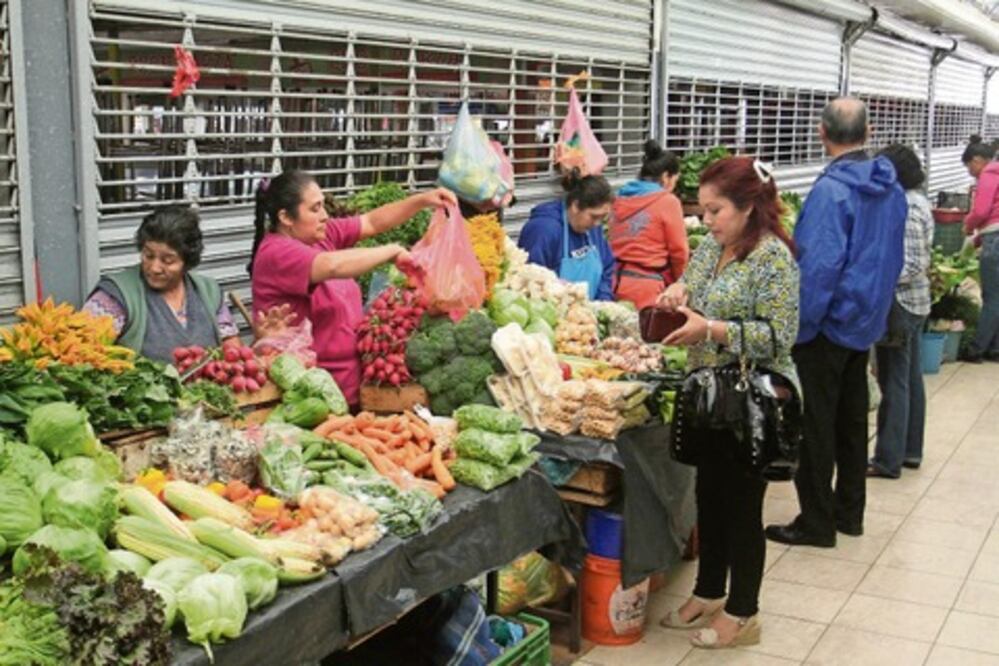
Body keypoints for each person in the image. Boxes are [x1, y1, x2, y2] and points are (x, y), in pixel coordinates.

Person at [656, 156, 800, 649]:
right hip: (709, 394)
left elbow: (779, 336)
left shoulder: (772, 257)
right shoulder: (710, 248)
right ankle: (708, 591)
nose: (705, 219)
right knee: (709, 498)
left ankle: (743, 612)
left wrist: (711, 329)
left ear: (748, 207)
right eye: (703, 209)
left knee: (742, 507)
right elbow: (691, 286)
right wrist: (677, 293)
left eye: (716, 210)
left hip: (752, 403)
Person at [766, 97, 906, 548]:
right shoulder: (892, 187)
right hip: (864, 321)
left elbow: (818, 268)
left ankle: (816, 522)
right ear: (868, 132)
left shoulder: (831, 191)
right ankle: (850, 513)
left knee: (816, 424)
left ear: (821, 132)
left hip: (825, 325)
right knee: (850, 420)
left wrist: (797, 327)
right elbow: (893, 257)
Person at [248, 170, 456, 407]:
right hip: (308, 395)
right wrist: (392, 251)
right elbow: (332, 266)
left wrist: (423, 200)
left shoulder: (320, 237)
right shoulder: (276, 252)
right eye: (315, 209)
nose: (325, 216)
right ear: (286, 218)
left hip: (347, 386)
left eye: (324, 206)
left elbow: (371, 222)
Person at [83, 206, 240, 363]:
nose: (154, 268)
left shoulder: (208, 291)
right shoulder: (114, 297)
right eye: (148, 255)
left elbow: (231, 346)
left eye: (168, 260)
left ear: (187, 262)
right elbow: (84, 353)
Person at [869, 145, 933, 479]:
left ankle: (887, 459)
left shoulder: (904, 206)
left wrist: (872, 278)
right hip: (916, 301)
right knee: (909, 378)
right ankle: (910, 451)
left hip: (900, 304)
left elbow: (908, 263)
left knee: (894, 379)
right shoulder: (919, 200)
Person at [609, 139, 689, 308]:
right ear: (666, 177)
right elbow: (679, 252)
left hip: (614, 281)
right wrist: (680, 284)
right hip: (647, 287)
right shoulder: (668, 201)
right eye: (675, 180)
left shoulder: (620, 198)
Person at [517, 173, 616, 300]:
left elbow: (606, 268)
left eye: (603, 217)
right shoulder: (544, 230)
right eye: (594, 216)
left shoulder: (593, 228)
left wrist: (602, 303)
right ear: (575, 206)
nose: (597, 223)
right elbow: (531, 281)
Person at [962, 135, 999, 362]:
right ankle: (996, 349)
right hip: (994, 237)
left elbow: (983, 211)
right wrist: (977, 240)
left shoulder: (988, 174)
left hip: (995, 241)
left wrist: (968, 225)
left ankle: (977, 349)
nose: (969, 172)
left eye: (968, 166)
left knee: (992, 297)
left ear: (977, 159)